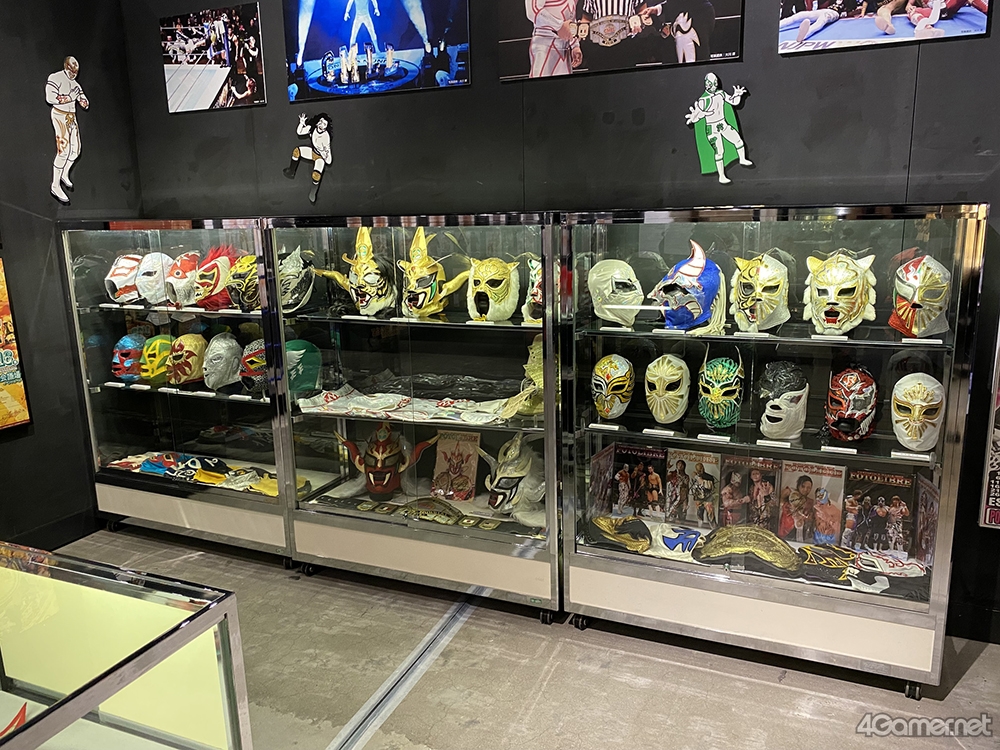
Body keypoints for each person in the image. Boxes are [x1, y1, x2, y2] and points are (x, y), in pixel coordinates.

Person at [684, 72, 752, 185]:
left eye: (715, 83)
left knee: (738, 140)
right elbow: (697, 116)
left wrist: (737, 95)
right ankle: (722, 176)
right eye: (710, 83)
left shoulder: (721, 94)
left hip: (723, 124)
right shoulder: (703, 101)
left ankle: (743, 159)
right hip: (712, 129)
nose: (713, 86)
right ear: (706, 84)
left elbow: (734, 101)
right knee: (719, 151)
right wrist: (693, 117)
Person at [46, 56, 88, 204]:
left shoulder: (75, 84)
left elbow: (82, 98)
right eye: (71, 71)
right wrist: (70, 97)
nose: (73, 74)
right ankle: (55, 184)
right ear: (66, 67)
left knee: (76, 150)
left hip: (71, 117)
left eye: (76, 72)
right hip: (60, 116)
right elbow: (50, 97)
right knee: (63, 151)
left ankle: (64, 172)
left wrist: (83, 101)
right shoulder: (55, 78)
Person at [284, 113, 332, 204]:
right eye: (321, 121)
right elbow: (299, 132)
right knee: (296, 151)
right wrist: (301, 123)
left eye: (324, 124)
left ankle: (313, 192)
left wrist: (323, 152)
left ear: (326, 127)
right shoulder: (312, 128)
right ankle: (291, 171)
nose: (321, 124)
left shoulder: (326, 137)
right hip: (312, 152)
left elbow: (329, 160)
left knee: (316, 175)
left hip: (320, 157)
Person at [526, 0, 582, 77]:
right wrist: (559, 26)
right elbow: (533, 10)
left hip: (564, 48)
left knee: (566, 84)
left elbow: (570, 13)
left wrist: (574, 45)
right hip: (545, 43)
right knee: (540, 83)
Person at [779, 475, 814, 543]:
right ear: (798, 486)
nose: (805, 489)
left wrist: (807, 518)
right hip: (786, 531)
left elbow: (810, 519)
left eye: (808, 488)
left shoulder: (810, 502)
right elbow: (779, 501)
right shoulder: (790, 495)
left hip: (801, 534)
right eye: (803, 486)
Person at [691, 461, 717, 528]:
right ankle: (699, 527)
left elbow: (708, 486)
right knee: (699, 514)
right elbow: (694, 487)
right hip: (699, 499)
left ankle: (713, 528)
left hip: (708, 499)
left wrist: (696, 477)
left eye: (700, 468)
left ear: (703, 468)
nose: (699, 470)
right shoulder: (695, 478)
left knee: (710, 515)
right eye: (697, 469)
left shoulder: (709, 477)